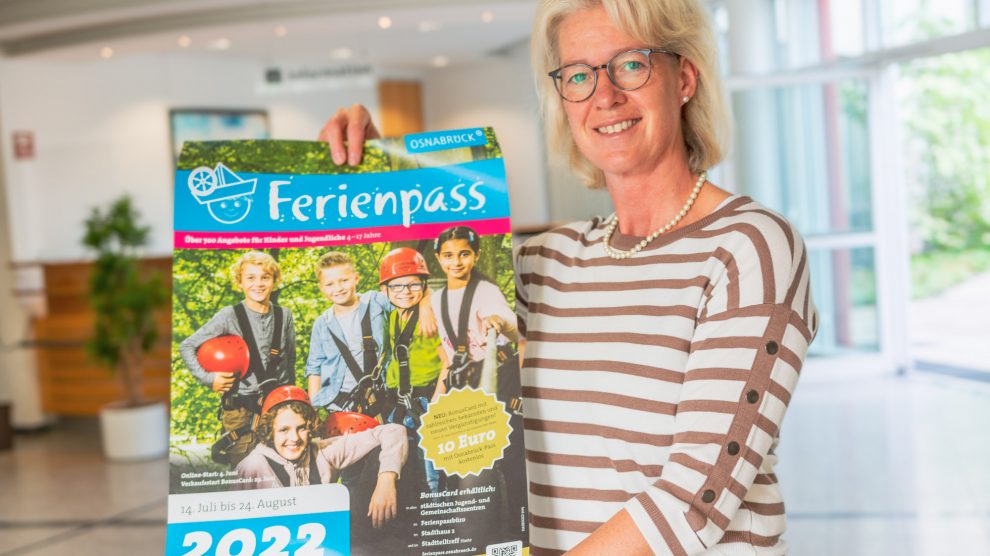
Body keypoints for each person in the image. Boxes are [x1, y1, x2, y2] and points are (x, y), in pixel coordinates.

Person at [318, 0, 818, 553]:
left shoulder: (747, 245)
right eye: (578, 74)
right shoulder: (544, 262)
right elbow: (445, 351)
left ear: (684, 77)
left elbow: (697, 499)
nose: (604, 96)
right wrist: (360, 187)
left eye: (631, 64)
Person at [179, 250, 297, 466]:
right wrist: (209, 379)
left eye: (265, 277)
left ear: (275, 281)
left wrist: (293, 405)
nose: (258, 283)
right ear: (240, 282)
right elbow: (187, 346)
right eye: (250, 278)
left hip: (278, 408)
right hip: (240, 412)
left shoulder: (284, 315)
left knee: (283, 470)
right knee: (245, 471)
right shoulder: (229, 315)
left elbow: (290, 361)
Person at [235, 385, 408, 532]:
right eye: (284, 430)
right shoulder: (251, 466)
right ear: (269, 430)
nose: (294, 438)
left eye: (301, 428)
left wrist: (386, 479)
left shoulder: (323, 451)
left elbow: (394, 430)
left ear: (311, 427)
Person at [307, 251, 438, 414]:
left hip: (382, 398)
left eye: (344, 280)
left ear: (356, 278)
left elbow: (413, 293)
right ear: (321, 287)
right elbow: (314, 367)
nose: (338, 288)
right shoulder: (322, 323)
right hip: (338, 404)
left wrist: (426, 307)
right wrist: (312, 409)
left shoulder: (376, 302)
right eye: (330, 284)